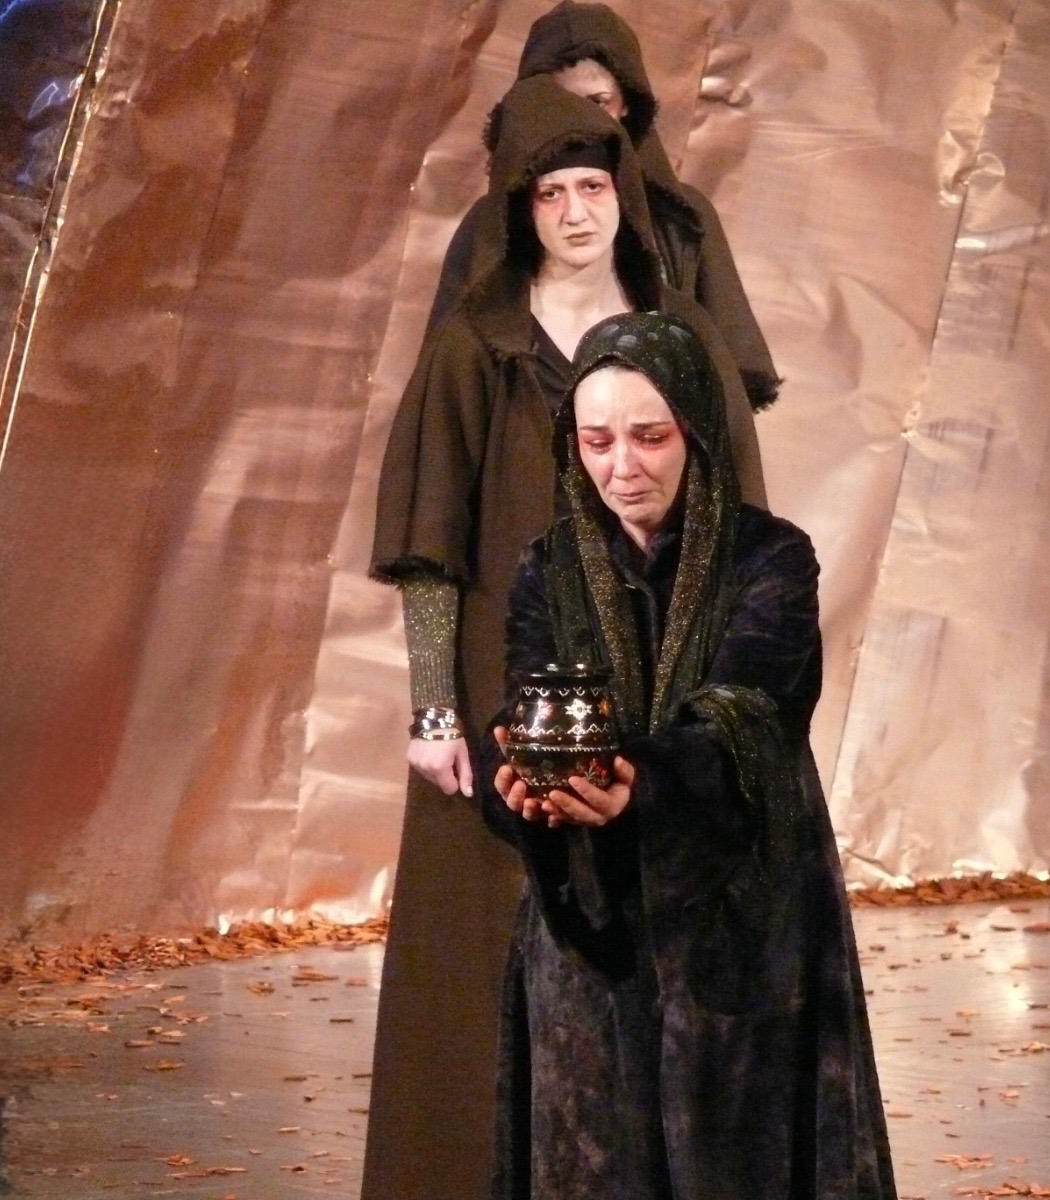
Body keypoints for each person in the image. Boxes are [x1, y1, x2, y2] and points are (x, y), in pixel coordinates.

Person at [363, 76, 765, 1200]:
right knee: (485, 936)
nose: (576, 212)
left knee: (658, 935)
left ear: (622, 192)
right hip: (505, 679)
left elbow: (737, 519)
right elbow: (429, 539)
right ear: (520, 208)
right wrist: (435, 707)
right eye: (551, 193)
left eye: (592, 185)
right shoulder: (475, 345)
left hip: (655, 674)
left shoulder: (677, 338)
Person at [481, 310, 896, 1199]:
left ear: (695, 431)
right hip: (592, 924)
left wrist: (644, 783)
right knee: (595, 1156)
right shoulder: (548, 568)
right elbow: (526, 706)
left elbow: (751, 709)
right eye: (597, 442)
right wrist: (515, 777)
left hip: (741, 920)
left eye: (650, 436)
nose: (622, 467)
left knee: (738, 1161)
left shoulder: (770, 558)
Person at [428, 0, 781, 410]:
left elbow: (728, 382)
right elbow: (445, 388)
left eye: (597, 103)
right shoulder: (493, 224)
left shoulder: (680, 218)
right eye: (562, 102)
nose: (580, 119)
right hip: (523, 434)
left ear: (627, 103)